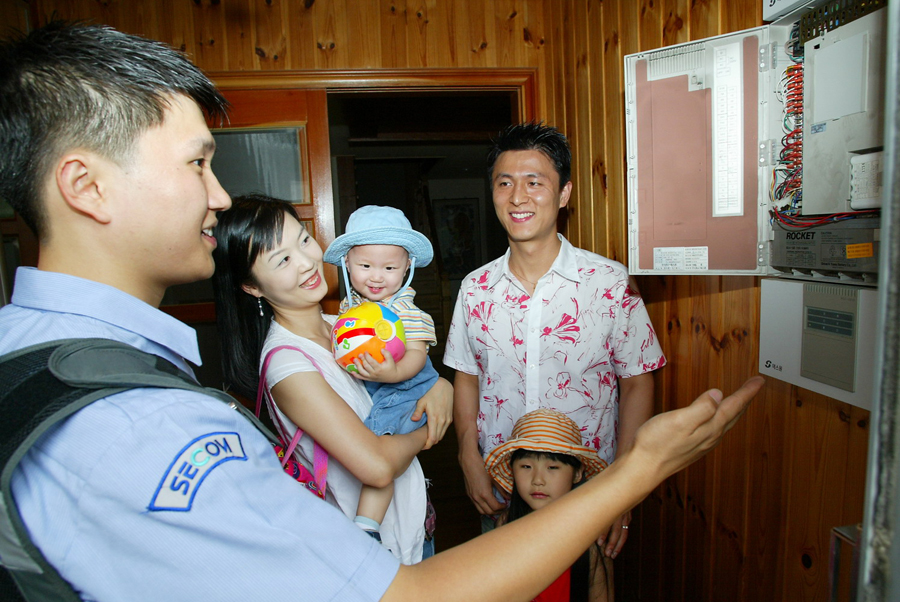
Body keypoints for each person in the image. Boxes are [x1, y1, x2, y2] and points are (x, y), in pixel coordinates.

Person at [0, 20, 765, 602]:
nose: (219, 195)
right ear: (86, 185)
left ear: (564, 192)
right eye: (198, 163)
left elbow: (429, 383)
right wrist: (642, 466)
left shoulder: (42, 354)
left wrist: (613, 470)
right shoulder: (139, 425)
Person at [444, 122, 666, 562]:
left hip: (588, 489)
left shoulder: (609, 283)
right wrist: (468, 459)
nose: (517, 197)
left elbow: (638, 383)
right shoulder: (475, 288)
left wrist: (622, 488)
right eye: (504, 183)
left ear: (563, 193)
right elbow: (466, 377)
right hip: (501, 484)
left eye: (534, 182)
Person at [213, 195, 448, 563]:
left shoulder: (344, 324)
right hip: (367, 553)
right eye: (283, 259)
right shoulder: (287, 365)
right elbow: (378, 465)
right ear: (252, 287)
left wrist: (440, 386)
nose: (308, 262)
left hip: (413, 527)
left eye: (303, 240)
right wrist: (429, 425)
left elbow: (405, 378)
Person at [321, 204, 441, 543]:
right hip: (375, 384)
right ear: (347, 264)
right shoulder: (349, 309)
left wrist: (393, 372)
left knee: (378, 442)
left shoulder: (405, 309)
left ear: (406, 269)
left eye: (389, 267)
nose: (376, 276)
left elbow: (418, 356)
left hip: (404, 386)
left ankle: (367, 527)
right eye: (365, 266)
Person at [485, 409, 612, 602]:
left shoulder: (592, 536)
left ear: (577, 473)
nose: (537, 480)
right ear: (512, 469)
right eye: (526, 467)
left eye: (552, 468)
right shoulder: (505, 525)